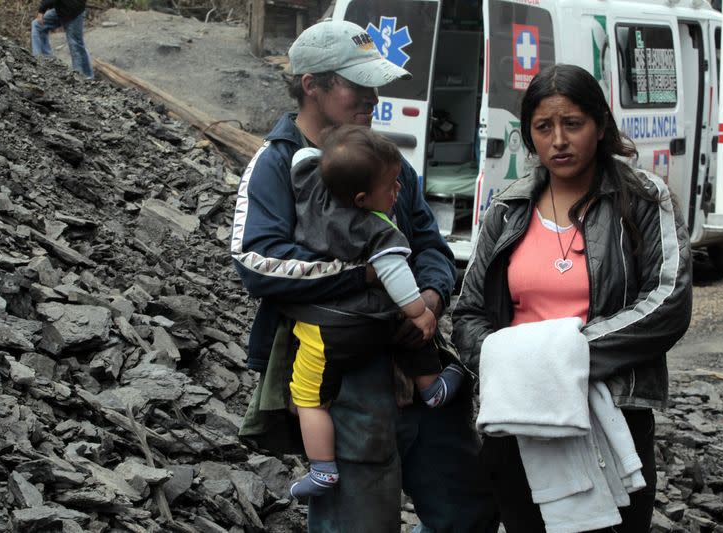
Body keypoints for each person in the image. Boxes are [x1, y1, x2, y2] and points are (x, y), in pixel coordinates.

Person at [232, 19, 498, 533]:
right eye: (358, 85)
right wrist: (371, 276)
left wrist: (431, 297)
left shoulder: (382, 159)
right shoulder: (277, 164)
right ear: (313, 84)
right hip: (344, 382)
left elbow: (428, 244)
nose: (374, 97)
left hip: (417, 363)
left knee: (467, 507)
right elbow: (257, 262)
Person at [451, 64, 692, 532]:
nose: (558, 139)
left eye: (573, 124)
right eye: (544, 127)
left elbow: (668, 303)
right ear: (530, 136)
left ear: (600, 127)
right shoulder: (507, 209)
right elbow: (470, 313)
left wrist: (564, 359)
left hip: (609, 409)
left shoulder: (642, 198)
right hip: (521, 414)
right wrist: (516, 366)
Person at [284, 125, 466, 500]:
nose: (397, 192)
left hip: (322, 328)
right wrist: (419, 309)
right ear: (364, 198)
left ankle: (321, 467)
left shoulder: (309, 191)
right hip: (363, 325)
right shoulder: (377, 230)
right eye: (391, 188)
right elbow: (397, 276)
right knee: (408, 325)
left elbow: (303, 159)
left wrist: (328, 156)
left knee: (310, 398)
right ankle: (432, 387)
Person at [31, 0, 94, 79]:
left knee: (75, 44)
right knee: (37, 25)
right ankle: (44, 61)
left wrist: (42, 10)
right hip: (61, 10)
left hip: (74, 11)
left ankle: (84, 77)